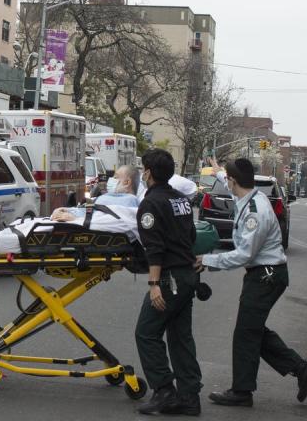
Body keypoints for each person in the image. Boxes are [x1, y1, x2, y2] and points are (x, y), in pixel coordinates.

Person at [197, 158, 307, 407]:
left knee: (245, 332)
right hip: (264, 274)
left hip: (267, 276)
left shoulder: (255, 212)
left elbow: (244, 254)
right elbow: (230, 181)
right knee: (251, 329)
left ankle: (242, 392)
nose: (225, 182)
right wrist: (219, 171)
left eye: (227, 179)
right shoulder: (250, 196)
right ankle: (300, 368)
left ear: (233, 181)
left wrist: (207, 260)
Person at [134, 148, 202, 416]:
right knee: (180, 337)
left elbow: (155, 247)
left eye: (143, 169)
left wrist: (154, 285)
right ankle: (189, 396)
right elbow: (192, 234)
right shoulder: (181, 200)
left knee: (146, 333)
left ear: (148, 173)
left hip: (169, 278)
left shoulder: (151, 204)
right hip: (186, 275)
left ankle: (164, 390)